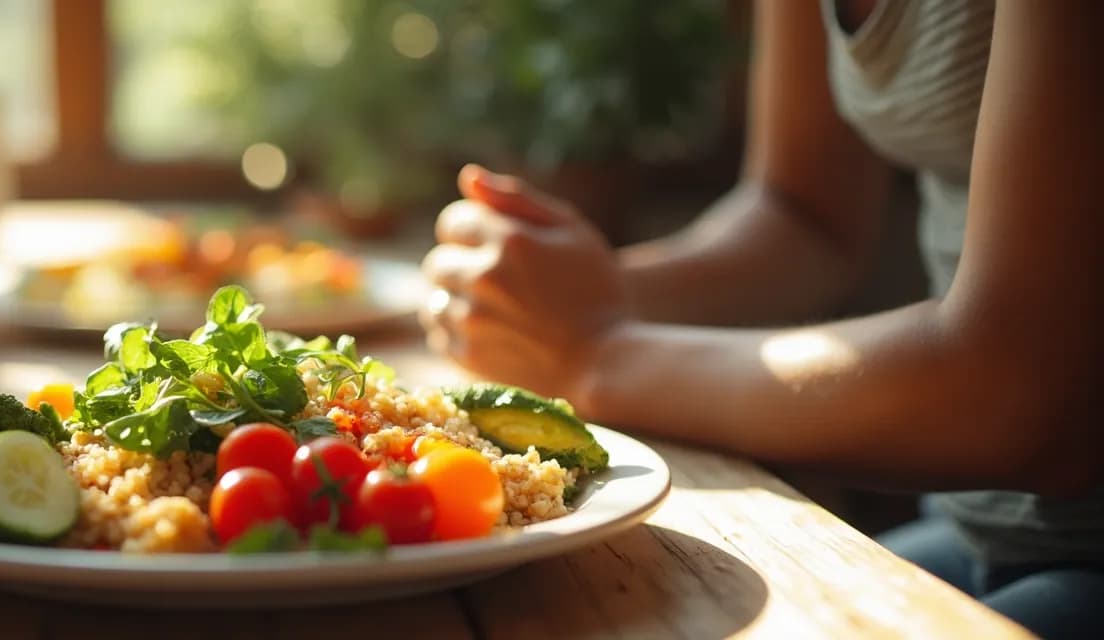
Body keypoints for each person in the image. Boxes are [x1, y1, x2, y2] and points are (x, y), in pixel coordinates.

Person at [419, 1, 1102, 636]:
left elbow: (1021, 392)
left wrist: (596, 354)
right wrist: (570, 302)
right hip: (977, 526)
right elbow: (803, 216)